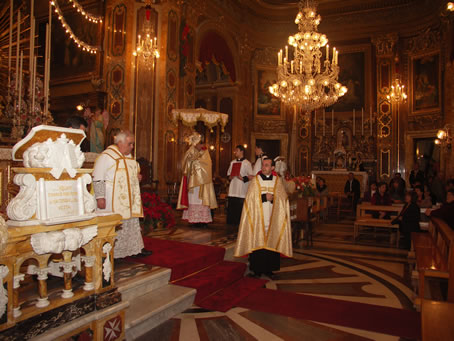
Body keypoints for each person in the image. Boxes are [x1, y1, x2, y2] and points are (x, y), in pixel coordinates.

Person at [92, 131, 150, 258]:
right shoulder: (106, 156)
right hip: (111, 198)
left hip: (127, 199)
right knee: (113, 225)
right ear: (119, 143)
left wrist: (138, 177)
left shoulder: (128, 158)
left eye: (132, 144)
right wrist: (100, 197)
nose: (132, 147)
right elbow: (98, 177)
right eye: (130, 144)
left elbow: (132, 174)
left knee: (130, 224)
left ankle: (134, 249)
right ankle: (111, 253)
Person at [234, 157, 292, 279]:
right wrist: (264, 197)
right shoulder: (256, 181)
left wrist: (274, 199)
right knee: (258, 241)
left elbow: (283, 200)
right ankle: (257, 270)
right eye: (263, 165)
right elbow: (249, 199)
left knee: (272, 241)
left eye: (266, 165)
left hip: (273, 217)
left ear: (272, 168)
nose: (263, 167)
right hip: (258, 218)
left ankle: (270, 269)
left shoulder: (277, 181)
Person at [177, 132, 217, 226]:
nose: (200, 145)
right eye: (198, 144)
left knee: (202, 200)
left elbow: (208, 164)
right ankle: (193, 219)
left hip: (202, 182)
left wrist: (196, 163)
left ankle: (203, 220)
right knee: (193, 199)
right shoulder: (190, 151)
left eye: (201, 143)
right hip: (192, 181)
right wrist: (192, 162)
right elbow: (185, 163)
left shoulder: (205, 151)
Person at [226, 145, 253, 225]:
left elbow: (251, 176)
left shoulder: (247, 163)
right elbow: (228, 175)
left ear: (242, 151)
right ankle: (231, 223)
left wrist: (241, 178)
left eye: (237, 150)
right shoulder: (232, 162)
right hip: (233, 188)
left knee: (240, 208)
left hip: (241, 189)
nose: (235, 152)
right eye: (235, 150)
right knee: (232, 207)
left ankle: (240, 224)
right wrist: (231, 176)